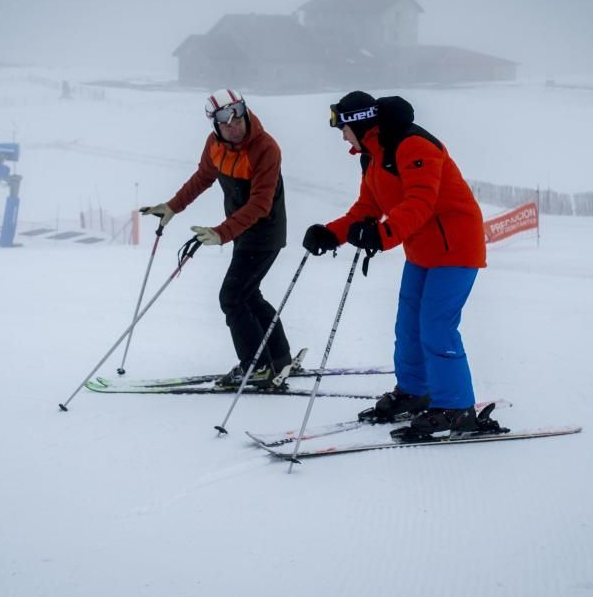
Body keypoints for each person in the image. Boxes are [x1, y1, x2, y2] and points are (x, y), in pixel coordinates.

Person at [302, 90, 494, 440]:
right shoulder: (373, 156)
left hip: (456, 248)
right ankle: (415, 391)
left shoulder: (413, 144)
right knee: (408, 325)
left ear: (359, 123)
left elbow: (420, 202)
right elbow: (366, 209)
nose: (342, 136)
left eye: (343, 128)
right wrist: (331, 234)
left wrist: (382, 234)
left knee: (436, 327)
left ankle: (456, 407)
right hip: (422, 251)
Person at [141, 89, 293, 389]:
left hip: (265, 231)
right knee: (248, 295)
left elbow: (261, 204)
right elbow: (202, 178)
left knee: (232, 297)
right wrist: (173, 206)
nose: (233, 122)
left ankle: (257, 367)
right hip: (241, 230)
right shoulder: (215, 145)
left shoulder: (266, 148)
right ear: (214, 123)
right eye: (225, 118)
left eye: (238, 112)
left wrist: (222, 232)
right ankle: (278, 358)